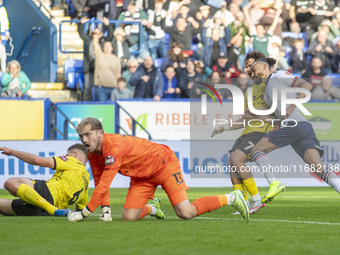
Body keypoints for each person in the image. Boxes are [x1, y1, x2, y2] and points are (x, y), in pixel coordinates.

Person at [67, 117, 249, 222]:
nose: (84, 140)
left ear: (100, 133)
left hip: (164, 164)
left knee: (185, 212)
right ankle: (153, 208)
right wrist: (105, 209)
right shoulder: (92, 153)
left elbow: (105, 183)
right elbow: (99, 182)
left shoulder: (113, 147)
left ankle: (232, 197)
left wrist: (85, 213)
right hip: (141, 178)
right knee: (128, 218)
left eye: (88, 135)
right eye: (81, 136)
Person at [249, 58, 340, 200]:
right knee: (317, 168)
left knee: (256, 150)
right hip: (301, 127)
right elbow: (277, 120)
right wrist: (255, 116)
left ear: (265, 66)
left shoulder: (279, 75)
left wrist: (291, 107)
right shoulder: (267, 94)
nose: (252, 73)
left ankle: (274, 183)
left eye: (253, 69)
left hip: (295, 124)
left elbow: (307, 86)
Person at [212, 52, 281, 214]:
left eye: (251, 65)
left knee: (237, 159)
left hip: (262, 130)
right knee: (232, 162)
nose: (248, 69)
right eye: (247, 66)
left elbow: (278, 112)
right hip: (247, 131)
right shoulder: (249, 91)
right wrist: (225, 127)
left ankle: (256, 200)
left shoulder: (271, 84)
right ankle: (242, 200)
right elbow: (244, 119)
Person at [0, 144, 90, 217]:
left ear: (75, 154)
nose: (66, 156)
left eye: (67, 155)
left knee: (10, 183)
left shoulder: (73, 161)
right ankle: (53, 210)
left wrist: (11, 151)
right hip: (44, 210)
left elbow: (37, 160)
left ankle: (52, 210)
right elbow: (80, 210)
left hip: (47, 193)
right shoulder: (86, 181)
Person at [78, 16, 114, 101]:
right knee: (87, 88)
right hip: (89, 67)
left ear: (101, 34)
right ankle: (86, 103)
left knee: (98, 88)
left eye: (97, 33)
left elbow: (111, 35)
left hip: (99, 68)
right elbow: (81, 33)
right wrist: (81, 24)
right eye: (93, 33)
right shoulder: (88, 40)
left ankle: (97, 103)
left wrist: (108, 25)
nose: (95, 35)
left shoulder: (103, 42)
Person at [92, 26, 121, 102]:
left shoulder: (116, 59)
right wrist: (96, 34)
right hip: (101, 88)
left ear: (112, 48)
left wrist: (119, 86)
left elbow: (118, 74)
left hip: (114, 88)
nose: (107, 47)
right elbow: (95, 44)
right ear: (103, 48)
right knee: (102, 109)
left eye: (109, 46)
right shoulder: (99, 55)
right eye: (106, 46)